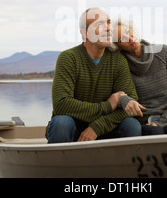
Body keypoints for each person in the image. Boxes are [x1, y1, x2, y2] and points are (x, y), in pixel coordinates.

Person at [46, 8, 142, 143]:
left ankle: (122, 164)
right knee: (61, 123)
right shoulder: (68, 58)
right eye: (99, 24)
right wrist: (108, 105)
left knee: (132, 125)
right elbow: (61, 104)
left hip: (106, 128)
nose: (108, 28)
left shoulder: (118, 60)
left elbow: (131, 105)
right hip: (73, 129)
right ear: (84, 33)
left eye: (108, 23)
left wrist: (97, 127)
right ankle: (59, 163)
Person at [112, 18, 167, 135]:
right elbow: (118, 94)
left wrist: (162, 121)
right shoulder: (119, 63)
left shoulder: (163, 52)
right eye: (122, 38)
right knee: (155, 132)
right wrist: (125, 100)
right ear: (117, 46)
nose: (129, 38)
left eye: (128, 32)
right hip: (141, 123)